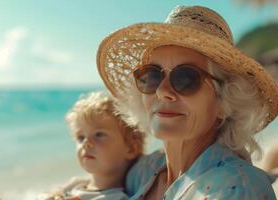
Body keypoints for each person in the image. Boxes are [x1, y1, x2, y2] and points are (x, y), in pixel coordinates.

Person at [96, 5, 278, 200]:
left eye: (186, 78)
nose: (162, 91)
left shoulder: (239, 188)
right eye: (152, 76)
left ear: (224, 102)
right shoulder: (143, 170)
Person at [37, 92, 145, 200]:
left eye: (99, 134)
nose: (86, 143)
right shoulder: (76, 184)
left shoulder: (116, 198)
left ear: (131, 148)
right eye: (80, 137)